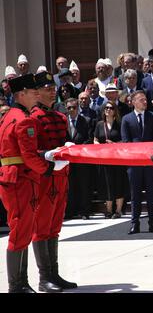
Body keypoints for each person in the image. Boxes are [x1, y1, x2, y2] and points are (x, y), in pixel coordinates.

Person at [0, 74, 66, 293]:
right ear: (21, 94)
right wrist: (48, 168)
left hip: (15, 178)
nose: (36, 94)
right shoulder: (23, 120)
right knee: (21, 231)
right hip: (22, 179)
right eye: (32, 91)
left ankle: (21, 283)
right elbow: (28, 155)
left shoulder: (9, 116)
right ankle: (16, 285)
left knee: (23, 230)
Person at [31, 71, 77, 292]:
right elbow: (32, 152)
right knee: (42, 227)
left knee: (55, 227)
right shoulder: (34, 118)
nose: (52, 91)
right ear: (37, 92)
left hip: (62, 178)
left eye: (53, 87)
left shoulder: (60, 117)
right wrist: (49, 156)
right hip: (44, 178)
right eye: (47, 88)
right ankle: (44, 278)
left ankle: (54, 274)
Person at [121, 91, 153, 234]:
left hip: (149, 162)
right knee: (135, 194)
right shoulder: (127, 119)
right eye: (141, 100)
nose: (145, 102)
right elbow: (126, 141)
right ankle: (135, 224)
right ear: (133, 102)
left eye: (145, 99)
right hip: (134, 163)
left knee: (151, 194)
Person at [94, 101, 127, 219]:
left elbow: (124, 140)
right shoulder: (99, 125)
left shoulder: (119, 123)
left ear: (115, 111)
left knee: (119, 182)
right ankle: (108, 210)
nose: (108, 110)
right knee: (107, 183)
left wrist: (114, 144)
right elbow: (95, 139)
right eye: (106, 108)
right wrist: (99, 146)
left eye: (111, 108)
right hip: (105, 158)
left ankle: (118, 210)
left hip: (118, 158)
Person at [65, 98, 93, 220]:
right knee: (70, 186)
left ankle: (84, 211)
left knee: (84, 185)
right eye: (69, 108)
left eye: (74, 107)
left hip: (82, 158)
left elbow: (89, 139)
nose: (72, 110)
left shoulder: (86, 121)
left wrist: (78, 148)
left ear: (78, 108)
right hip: (67, 159)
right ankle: (70, 210)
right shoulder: (63, 122)